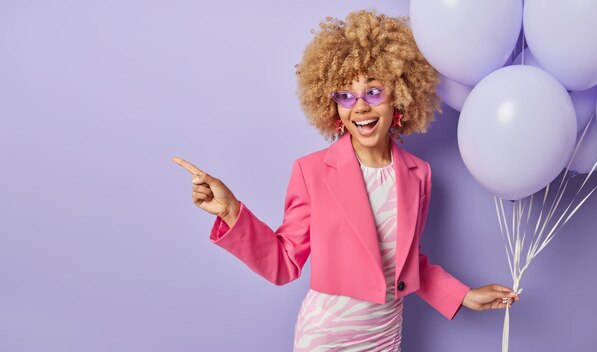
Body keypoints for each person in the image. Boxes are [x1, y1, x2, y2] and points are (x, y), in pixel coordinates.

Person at [173, 9, 519, 351]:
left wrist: (465, 296)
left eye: (373, 92)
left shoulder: (418, 174)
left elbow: (406, 262)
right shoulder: (312, 172)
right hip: (326, 337)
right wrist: (232, 211)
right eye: (346, 96)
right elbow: (283, 263)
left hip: (385, 335)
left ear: (398, 96)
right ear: (334, 107)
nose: (360, 107)